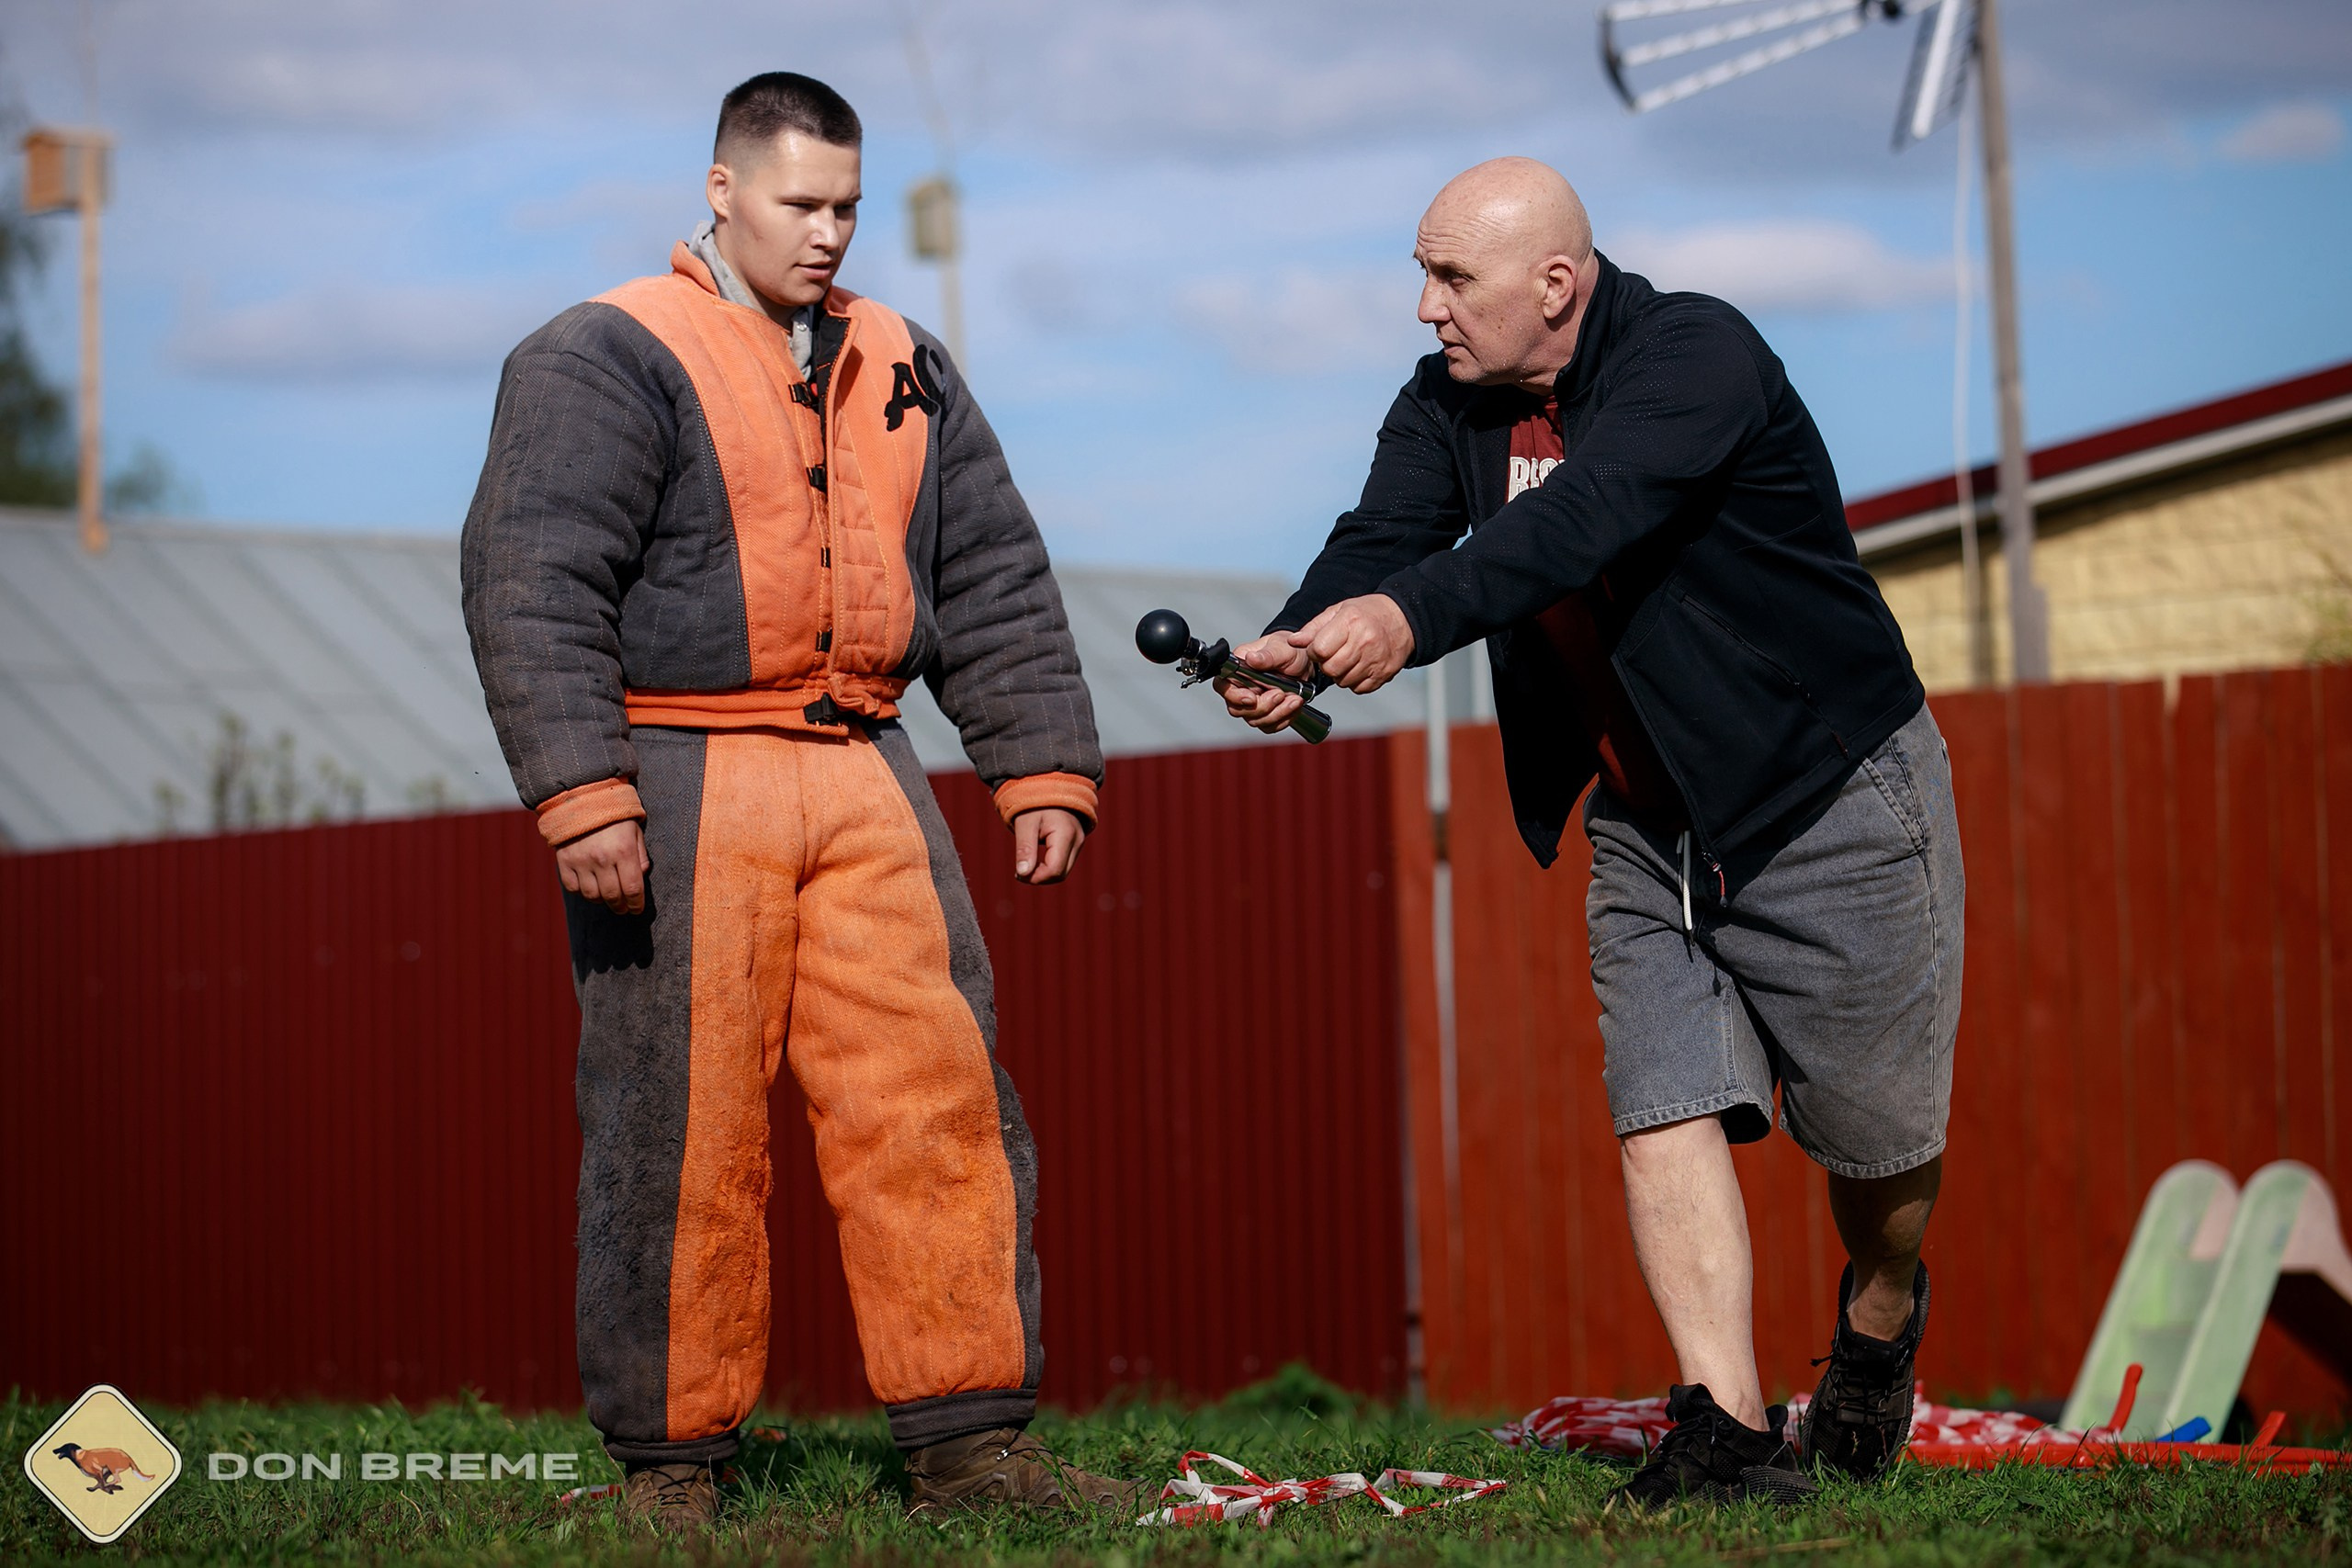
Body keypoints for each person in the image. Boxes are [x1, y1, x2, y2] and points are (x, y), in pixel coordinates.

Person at [1219, 158, 1962, 1509]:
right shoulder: (1445, 403)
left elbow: (1576, 525)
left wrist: (1411, 622)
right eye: (1422, 277)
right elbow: (1383, 535)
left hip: (1828, 796)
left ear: (1555, 285)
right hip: (1647, 819)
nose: (1427, 311)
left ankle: (1883, 1300)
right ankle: (1730, 1437)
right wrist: (1301, 641)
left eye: (1452, 280)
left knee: (1878, 1156)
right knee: (1662, 1104)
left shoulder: (1698, 357)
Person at [460, 72, 1137, 1531]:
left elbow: (992, 575)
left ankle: (973, 1448)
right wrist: (582, 793)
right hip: (684, 772)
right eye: (798, 203)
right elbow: (533, 577)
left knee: (938, 1099)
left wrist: (1039, 763)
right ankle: (672, 1469)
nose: (828, 232)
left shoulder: (905, 358)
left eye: (846, 204)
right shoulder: (602, 352)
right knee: (681, 1125)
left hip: (868, 769)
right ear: (721, 190)